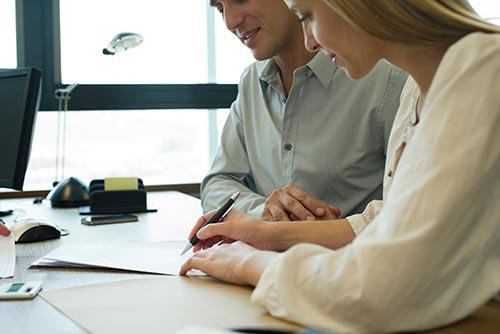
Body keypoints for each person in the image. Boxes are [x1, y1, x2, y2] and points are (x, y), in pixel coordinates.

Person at [181, 0, 500, 332]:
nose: (309, 42)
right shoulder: (418, 91)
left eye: (308, 17)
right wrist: (267, 235)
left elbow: (388, 289)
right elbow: (392, 217)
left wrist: (254, 265)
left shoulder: (483, 73)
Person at [202, 0, 407, 221]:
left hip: (355, 254)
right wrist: (266, 211)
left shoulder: (388, 78)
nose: (230, 22)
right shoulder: (251, 81)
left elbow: (414, 209)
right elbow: (217, 183)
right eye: (220, 9)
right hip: (266, 255)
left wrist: (328, 231)